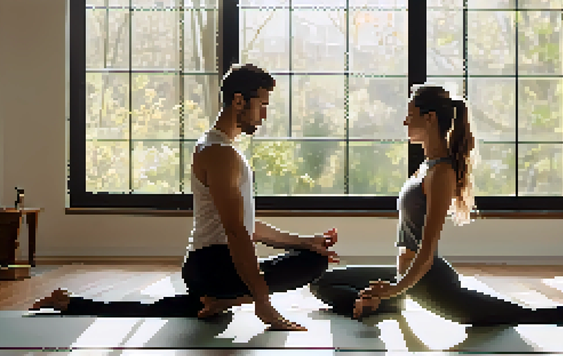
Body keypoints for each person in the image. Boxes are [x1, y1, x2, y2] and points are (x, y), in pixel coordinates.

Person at [309, 85, 563, 326]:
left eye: (410, 113)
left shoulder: (442, 172)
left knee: (518, 314)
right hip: (407, 276)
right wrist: (392, 289)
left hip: (428, 279)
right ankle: (388, 302)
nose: (405, 121)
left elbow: (428, 249)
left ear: (429, 117)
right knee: (321, 283)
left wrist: (394, 288)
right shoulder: (425, 166)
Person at [30, 64, 340, 332]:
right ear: (238, 100)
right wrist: (262, 301)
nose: (265, 114)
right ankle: (227, 298)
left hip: (210, 266)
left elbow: (245, 225)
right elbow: (235, 232)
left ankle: (70, 302)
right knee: (313, 264)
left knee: (168, 307)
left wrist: (305, 241)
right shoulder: (219, 153)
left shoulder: (221, 149)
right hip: (214, 265)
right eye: (262, 104)